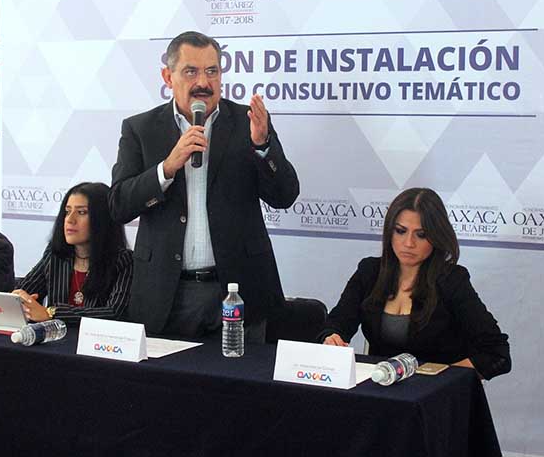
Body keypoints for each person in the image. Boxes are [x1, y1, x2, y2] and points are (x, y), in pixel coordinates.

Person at [109, 30, 300, 340]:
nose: (203, 82)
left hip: (239, 291)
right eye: (191, 71)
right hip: (166, 294)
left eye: (212, 71)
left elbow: (285, 195)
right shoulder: (140, 129)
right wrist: (166, 168)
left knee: (242, 372)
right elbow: (118, 205)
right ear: (168, 77)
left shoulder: (248, 122)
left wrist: (263, 145)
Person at [319, 188, 511, 380]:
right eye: (400, 231)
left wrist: (443, 380)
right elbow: (335, 325)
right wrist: (331, 338)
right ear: (389, 232)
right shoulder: (369, 271)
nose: (409, 243)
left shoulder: (451, 280)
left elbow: (496, 353)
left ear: (436, 237)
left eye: (421, 235)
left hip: (436, 393)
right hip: (380, 387)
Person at [13, 182, 133, 325]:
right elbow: (26, 291)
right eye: (67, 211)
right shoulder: (55, 255)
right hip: (55, 338)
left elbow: (114, 313)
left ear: (102, 219)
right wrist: (20, 299)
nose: (70, 220)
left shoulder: (124, 260)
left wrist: (51, 313)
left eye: (81, 212)